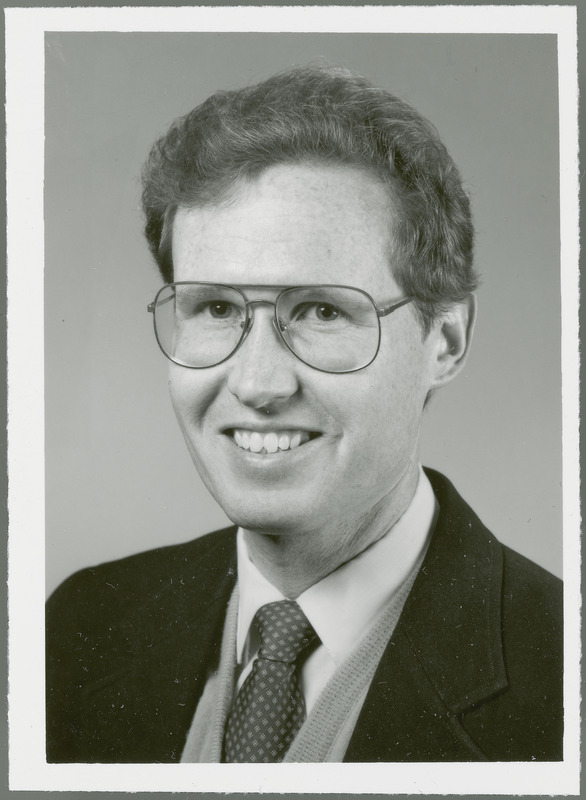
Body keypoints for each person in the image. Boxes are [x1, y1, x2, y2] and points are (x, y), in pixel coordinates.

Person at [46, 65, 563, 763]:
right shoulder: (80, 625)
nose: (258, 383)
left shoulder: (562, 676)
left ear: (444, 342)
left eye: (322, 310)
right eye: (217, 308)